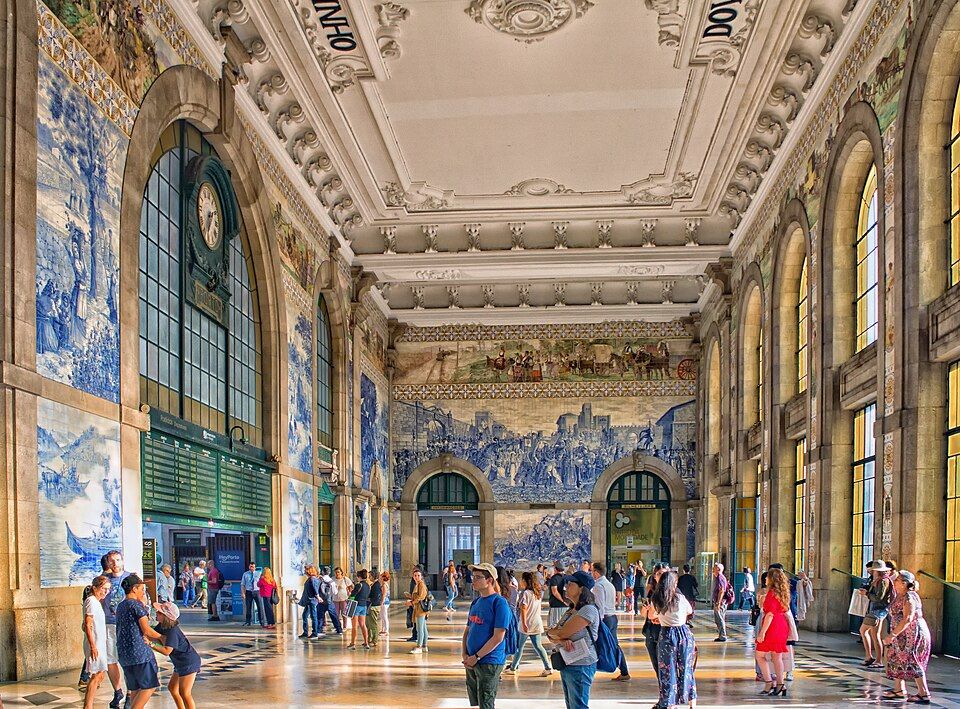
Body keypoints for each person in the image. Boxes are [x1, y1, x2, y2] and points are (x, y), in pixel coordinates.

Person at [545, 570, 600, 709]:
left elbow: (562, 632)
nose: (566, 587)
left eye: (570, 584)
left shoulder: (588, 610)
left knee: (578, 705)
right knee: (571, 704)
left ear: (582, 589)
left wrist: (558, 635)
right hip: (568, 661)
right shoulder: (571, 610)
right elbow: (550, 634)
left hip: (581, 664)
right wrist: (561, 640)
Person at [461, 563, 511, 709]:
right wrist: (465, 653)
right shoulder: (476, 602)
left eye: (478, 577)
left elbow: (498, 637)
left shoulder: (499, 603)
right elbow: (467, 630)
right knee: (477, 700)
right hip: (471, 660)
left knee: (486, 702)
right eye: (473, 577)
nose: (473, 580)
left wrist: (476, 656)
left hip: (489, 660)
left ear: (489, 580)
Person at [882, 571, 932, 703]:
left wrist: (892, 635)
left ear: (904, 583)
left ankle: (924, 693)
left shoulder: (909, 597)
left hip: (912, 634)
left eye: (897, 580)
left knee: (913, 660)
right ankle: (899, 690)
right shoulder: (900, 595)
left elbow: (908, 618)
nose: (895, 581)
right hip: (901, 635)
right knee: (896, 659)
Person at [115, 575, 164, 709]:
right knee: (149, 686)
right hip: (140, 653)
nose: (144, 592)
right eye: (142, 589)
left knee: (135, 689)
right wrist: (162, 637)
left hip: (124, 654)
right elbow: (146, 630)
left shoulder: (121, 606)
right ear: (134, 589)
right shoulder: (136, 605)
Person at [651, 570, 697, 709]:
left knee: (667, 670)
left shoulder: (656, 598)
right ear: (673, 583)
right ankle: (691, 703)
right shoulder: (679, 598)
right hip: (683, 634)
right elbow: (689, 611)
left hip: (666, 635)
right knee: (686, 668)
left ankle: (669, 703)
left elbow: (653, 615)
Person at [148, 601, 201, 709]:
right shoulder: (162, 626)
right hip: (180, 663)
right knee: (172, 688)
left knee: (185, 693)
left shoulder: (172, 631)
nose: (156, 613)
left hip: (188, 662)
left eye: (159, 612)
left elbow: (167, 651)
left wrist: (151, 644)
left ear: (166, 616)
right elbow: (152, 633)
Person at [505, 571, 552, 677]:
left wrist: (524, 623)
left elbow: (524, 609)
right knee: (538, 646)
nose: (521, 581)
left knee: (519, 647)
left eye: (522, 579)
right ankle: (548, 667)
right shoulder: (537, 592)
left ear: (525, 581)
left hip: (527, 623)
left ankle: (513, 668)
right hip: (536, 622)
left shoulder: (526, 593)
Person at [101, 550, 132, 709]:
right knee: (110, 660)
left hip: (126, 625)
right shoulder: (103, 580)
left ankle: (130, 693)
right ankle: (118, 690)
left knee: (127, 660)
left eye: (118, 560)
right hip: (108, 624)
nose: (115, 564)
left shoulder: (131, 578)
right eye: (112, 561)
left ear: (122, 561)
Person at [591, 561, 630, 681]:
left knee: (599, 645)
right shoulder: (609, 584)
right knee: (614, 645)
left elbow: (600, 606)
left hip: (605, 619)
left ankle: (592, 670)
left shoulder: (598, 586)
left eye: (592, 571)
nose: (591, 573)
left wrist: (598, 623)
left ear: (596, 573)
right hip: (612, 617)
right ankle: (624, 671)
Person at [756, 568, 791, 697]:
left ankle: (769, 682)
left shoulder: (771, 594)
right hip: (782, 625)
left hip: (772, 626)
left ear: (771, 579)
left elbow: (770, 614)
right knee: (777, 657)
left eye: (767, 577)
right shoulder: (782, 593)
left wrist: (762, 633)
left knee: (760, 655)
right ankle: (781, 684)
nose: (765, 579)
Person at [82, 576, 112, 709]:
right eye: (103, 589)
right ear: (95, 588)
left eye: (108, 589)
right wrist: (93, 646)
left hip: (99, 642)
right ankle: (88, 706)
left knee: (100, 675)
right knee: (96, 675)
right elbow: (88, 625)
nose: (105, 592)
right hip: (95, 643)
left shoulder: (96, 602)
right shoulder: (91, 601)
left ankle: (89, 705)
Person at [860, 560, 893, 667]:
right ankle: (871, 657)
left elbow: (879, 597)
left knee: (865, 631)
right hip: (876, 609)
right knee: (874, 634)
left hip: (878, 610)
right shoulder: (878, 580)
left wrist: (867, 594)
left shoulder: (883, 581)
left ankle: (876, 659)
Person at [640, 564, 667, 678]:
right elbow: (644, 614)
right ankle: (662, 683)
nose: (661, 576)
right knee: (655, 660)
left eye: (664, 574)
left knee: (665, 661)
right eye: (658, 574)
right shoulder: (651, 593)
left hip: (665, 629)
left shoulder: (672, 592)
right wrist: (646, 609)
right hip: (652, 629)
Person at [407, 568, 430, 653]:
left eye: (418, 575)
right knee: (423, 628)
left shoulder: (421, 585)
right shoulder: (418, 585)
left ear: (421, 576)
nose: (416, 577)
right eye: (415, 575)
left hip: (420, 609)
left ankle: (419, 647)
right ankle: (424, 646)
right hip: (419, 609)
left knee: (419, 629)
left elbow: (421, 597)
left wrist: (411, 602)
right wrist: (410, 597)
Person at [348, 569, 372, 650]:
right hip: (364, 606)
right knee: (363, 625)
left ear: (359, 577)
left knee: (354, 626)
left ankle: (353, 643)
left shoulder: (359, 585)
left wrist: (349, 596)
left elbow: (352, 595)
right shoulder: (368, 585)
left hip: (356, 606)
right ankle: (366, 642)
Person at [299, 565, 322, 640]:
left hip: (312, 600)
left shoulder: (312, 579)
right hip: (309, 600)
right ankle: (305, 632)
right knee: (304, 615)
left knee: (313, 616)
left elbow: (315, 588)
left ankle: (315, 633)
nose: (305, 571)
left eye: (306, 570)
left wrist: (318, 596)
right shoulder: (311, 578)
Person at [319, 567, 343, 635]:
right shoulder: (331, 581)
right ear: (329, 573)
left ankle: (319, 630)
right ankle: (339, 630)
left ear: (322, 572)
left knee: (320, 616)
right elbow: (335, 592)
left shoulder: (320, 580)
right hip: (329, 601)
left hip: (321, 601)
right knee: (334, 616)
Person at [711, 562, 730, 641]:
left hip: (721, 602)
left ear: (718, 569)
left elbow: (722, 590)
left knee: (720, 618)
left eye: (714, 567)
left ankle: (723, 635)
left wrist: (718, 602)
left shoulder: (720, 577)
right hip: (720, 601)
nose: (712, 569)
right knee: (718, 618)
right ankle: (721, 635)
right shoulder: (719, 577)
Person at [241, 562, 263, 627]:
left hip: (257, 591)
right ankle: (248, 621)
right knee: (248, 607)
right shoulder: (245, 574)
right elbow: (242, 584)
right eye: (250, 566)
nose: (252, 568)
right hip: (248, 591)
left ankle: (261, 621)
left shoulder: (258, 573)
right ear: (249, 567)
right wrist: (243, 593)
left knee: (260, 607)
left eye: (253, 567)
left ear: (255, 567)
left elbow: (262, 583)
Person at [547, 561, 568, 628]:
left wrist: (562, 600)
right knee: (564, 626)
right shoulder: (567, 577)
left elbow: (555, 592)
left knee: (554, 626)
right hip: (566, 606)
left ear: (555, 569)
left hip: (556, 605)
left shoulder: (554, 578)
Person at [333, 567, 352, 631]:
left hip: (344, 599)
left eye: (338, 572)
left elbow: (351, 586)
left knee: (344, 614)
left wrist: (350, 593)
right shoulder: (332, 579)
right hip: (335, 599)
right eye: (336, 572)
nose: (337, 573)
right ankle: (338, 627)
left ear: (341, 572)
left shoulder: (345, 579)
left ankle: (344, 626)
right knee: (336, 614)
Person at [368, 571, 383, 647]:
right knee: (370, 623)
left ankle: (375, 640)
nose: (369, 577)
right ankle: (371, 639)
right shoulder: (374, 584)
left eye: (370, 576)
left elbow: (376, 596)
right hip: (373, 605)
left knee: (373, 623)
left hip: (374, 606)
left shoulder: (376, 585)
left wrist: (369, 599)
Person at [380, 571, 391, 637]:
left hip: (384, 602)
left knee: (384, 616)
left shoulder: (384, 585)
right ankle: (383, 629)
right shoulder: (384, 584)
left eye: (381, 576)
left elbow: (384, 594)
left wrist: (381, 602)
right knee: (382, 616)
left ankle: (386, 630)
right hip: (385, 602)